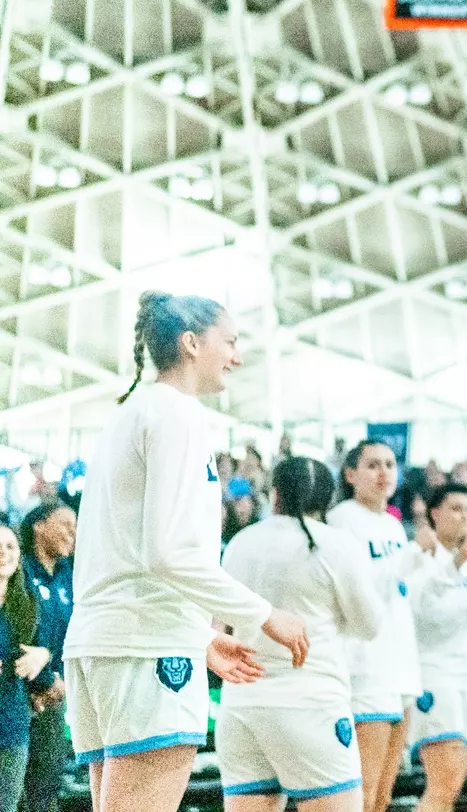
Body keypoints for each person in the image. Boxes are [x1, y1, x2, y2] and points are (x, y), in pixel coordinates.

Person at [65, 292, 307, 812]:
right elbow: (167, 551)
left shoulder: (128, 415)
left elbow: (125, 555)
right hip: (144, 647)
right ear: (192, 343)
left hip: (104, 643)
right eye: (231, 341)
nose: (237, 357)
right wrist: (263, 615)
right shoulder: (177, 413)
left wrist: (200, 636)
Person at [218, 457, 384, 811]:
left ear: (274, 494)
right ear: (328, 499)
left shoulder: (239, 544)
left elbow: (221, 627)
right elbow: (369, 626)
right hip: (311, 704)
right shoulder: (337, 545)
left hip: (241, 708)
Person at [326, 442, 425, 812]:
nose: (383, 472)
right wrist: (412, 556)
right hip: (364, 666)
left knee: (384, 794)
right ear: (350, 475)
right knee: (362, 794)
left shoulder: (393, 524)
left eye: (389, 464)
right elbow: (355, 589)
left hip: (399, 662)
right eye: (372, 465)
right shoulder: (342, 520)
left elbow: (399, 592)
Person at [407, 484, 467, 812]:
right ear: (434, 513)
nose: (465, 517)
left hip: (464, 676)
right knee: (441, 783)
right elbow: (429, 615)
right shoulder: (420, 555)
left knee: (451, 789)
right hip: (434, 676)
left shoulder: (465, 564)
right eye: (456, 508)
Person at [19, 501, 74, 812]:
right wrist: (43, 679)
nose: (72, 532)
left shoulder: (69, 575)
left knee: (47, 783)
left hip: (56, 694)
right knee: (15, 784)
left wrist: (61, 681)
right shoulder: (20, 570)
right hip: (21, 692)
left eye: (75, 527)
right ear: (39, 525)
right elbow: (17, 634)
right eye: (65, 524)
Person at [0, 525, 53, 812]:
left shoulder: (26, 605)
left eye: (10, 546)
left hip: (12, 726)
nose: (3, 553)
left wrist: (42, 655)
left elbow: (48, 647)